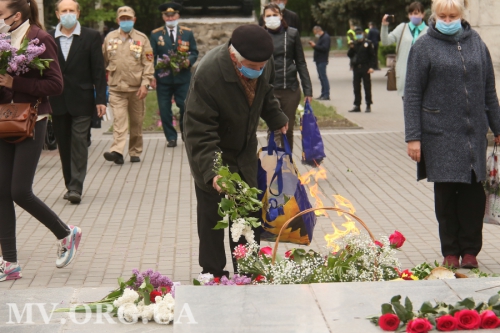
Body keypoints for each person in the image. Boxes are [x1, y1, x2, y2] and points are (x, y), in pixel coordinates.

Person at [184, 25, 288, 278]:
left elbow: (265, 93)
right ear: (234, 57)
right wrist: (213, 172)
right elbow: (199, 130)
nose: (257, 70)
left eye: (261, 65)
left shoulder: (263, 61)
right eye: (252, 66)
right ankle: (212, 272)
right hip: (213, 152)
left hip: (243, 153)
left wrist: (276, 118)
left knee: (247, 214)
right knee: (213, 215)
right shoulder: (208, 74)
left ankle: (248, 270)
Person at [404, 0, 500, 269]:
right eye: (443, 16)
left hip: (472, 134)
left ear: (462, 15)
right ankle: (450, 251)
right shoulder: (423, 46)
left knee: (472, 194)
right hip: (439, 134)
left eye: (453, 15)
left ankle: (470, 250)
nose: (448, 20)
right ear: (434, 16)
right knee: (446, 195)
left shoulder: (476, 43)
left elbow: (489, 91)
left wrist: (498, 126)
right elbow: (412, 95)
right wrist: (413, 137)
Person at [0, 0, 82, 282]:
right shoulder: (2, 38)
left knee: (19, 190)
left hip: (32, 121)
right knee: (1, 191)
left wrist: (15, 83)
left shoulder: (40, 38)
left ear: (17, 15)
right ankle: (9, 262)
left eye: (1, 14)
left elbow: (55, 85)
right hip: (3, 119)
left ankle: (66, 233)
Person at [49, 0, 107, 204]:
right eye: (64, 11)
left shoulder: (91, 37)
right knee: (63, 145)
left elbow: (98, 70)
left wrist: (101, 99)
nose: (67, 14)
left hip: (82, 100)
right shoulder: (48, 38)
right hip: (57, 100)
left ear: (78, 13)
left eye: (71, 10)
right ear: (57, 14)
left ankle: (76, 187)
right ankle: (69, 183)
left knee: (79, 142)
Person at [102, 6, 154, 164]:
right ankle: (117, 151)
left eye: (128, 19)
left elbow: (148, 63)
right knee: (119, 121)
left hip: (136, 88)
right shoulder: (109, 38)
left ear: (134, 20)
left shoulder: (142, 38)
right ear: (118, 20)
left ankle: (135, 151)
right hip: (116, 88)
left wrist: (145, 84)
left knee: (137, 123)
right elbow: (103, 60)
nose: (126, 21)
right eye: (123, 19)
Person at [263, 3, 312, 151]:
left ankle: (287, 164)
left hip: (290, 89)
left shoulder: (292, 33)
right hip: (269, 90)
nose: (272, 18)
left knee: (288, 129)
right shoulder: (260, 35)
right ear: (263, 18)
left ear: (281, 16)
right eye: (268, 16)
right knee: (274, 128)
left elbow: (301, 62)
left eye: (275, 15)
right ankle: (273, 163)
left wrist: (307, 90)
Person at [150, 2, 198, 148]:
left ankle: (185, 133)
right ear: (163, 17)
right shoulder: (156, 34)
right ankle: (171, 137)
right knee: (164, 110)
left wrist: (188, 62)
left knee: (185, 107)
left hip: (182, 77)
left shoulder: (187, 33)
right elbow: (150, 56)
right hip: (163, 78)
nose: (170, 18)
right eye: (167, 15)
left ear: (178, 15)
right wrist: (152, 75)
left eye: (173, 15)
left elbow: (194, 52)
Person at [381, 1, 428, 98]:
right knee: (408, 109)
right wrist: (384, 26)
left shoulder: (428, 31)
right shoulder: (402, 28)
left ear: (423, 14)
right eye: (411, 14)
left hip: (423, 76)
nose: (413, 16)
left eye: (416, 13)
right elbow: (386, 41)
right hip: (405, 75)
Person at [347, 27, 377, 113]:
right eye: (357, 34)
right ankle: (357, 105)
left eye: (360, 34)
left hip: (365, 67)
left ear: (363, 34)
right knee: (356, 87)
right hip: (356, 68)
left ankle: (368, 104)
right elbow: (350, 55)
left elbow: (372, 56)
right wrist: (351, 48)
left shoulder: (367, 43)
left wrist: (372, 67)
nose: (358, 35)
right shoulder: (354, 44)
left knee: (367, 86)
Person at [309, 26, 330, 101]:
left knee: (323, 77)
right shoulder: (322, 37)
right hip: (318, 60)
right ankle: (323, 93)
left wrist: (315, 46)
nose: (315, 34)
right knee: (321, 77)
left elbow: (324, 48)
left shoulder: (325, 37)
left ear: (318, 31)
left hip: (322, 60)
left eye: (315, 33)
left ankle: (326, 94)